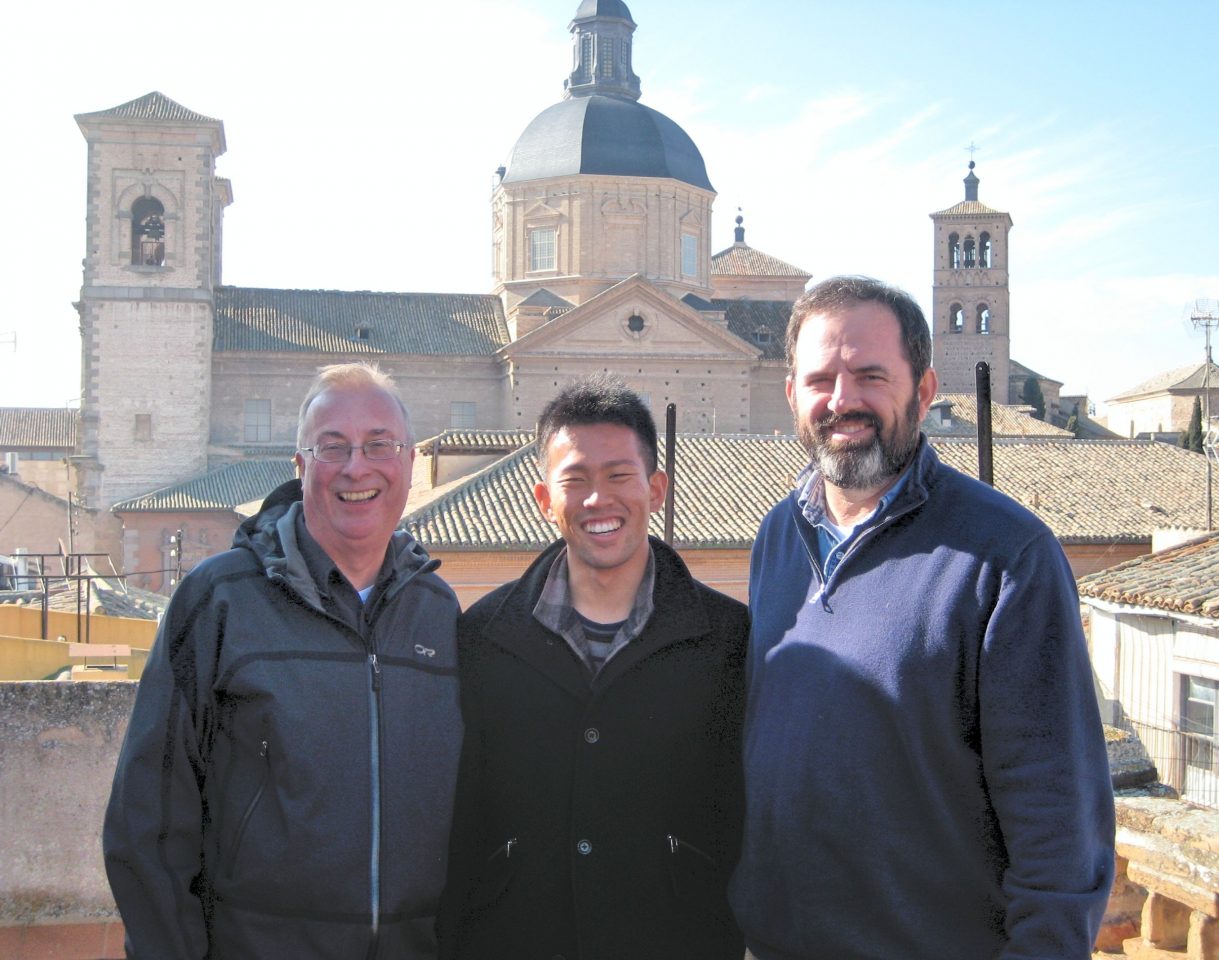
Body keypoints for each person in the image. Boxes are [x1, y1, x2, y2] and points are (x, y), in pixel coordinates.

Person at [730, 276, 1115, 959]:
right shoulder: (777, 538)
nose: (842, 400)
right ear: (792, 395)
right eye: (820, 379)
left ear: (925, 390)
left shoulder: (1006, 558)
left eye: (870, 375)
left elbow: (1060, 825)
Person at [103, 362, 463, 959]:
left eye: (379, 445)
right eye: (332, 447)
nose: (357, 466)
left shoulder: (437, 609)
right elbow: (149, 817)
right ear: (300, 467)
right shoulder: (220, 599)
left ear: (408, 464)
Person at [442, 374, 748, 960]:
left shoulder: (729, 639)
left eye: (618, 477)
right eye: (574, 480)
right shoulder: (484, 635)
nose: (596, 500)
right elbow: (465, 815)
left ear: (656, 489)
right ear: (543, 500)